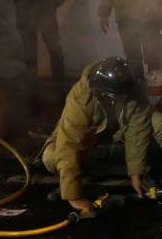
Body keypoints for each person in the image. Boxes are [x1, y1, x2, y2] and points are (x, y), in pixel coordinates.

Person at [40, 57, 153, 213]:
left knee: (160, 123)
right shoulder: (81, 95)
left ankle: (145, 166)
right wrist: (74, 197)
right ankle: (80, 172)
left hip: (116, 136)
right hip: (87, 138)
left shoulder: (132, 85)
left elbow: (139, 130)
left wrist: (136, 172)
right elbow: (69, 143)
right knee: (51, 156)